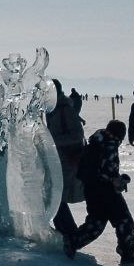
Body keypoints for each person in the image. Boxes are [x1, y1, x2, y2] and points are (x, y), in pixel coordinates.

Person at [66, 120, 134, 265]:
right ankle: (127, 252)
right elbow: (107, 171)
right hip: (106, 191)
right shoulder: (109, 144)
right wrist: (119, 180)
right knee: (123, 220)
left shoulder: (96, 141)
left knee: (97, 222)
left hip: (91, 190)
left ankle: (72, 242)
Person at [45, 79, 85, 236]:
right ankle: (65, 230)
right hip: (57, 159)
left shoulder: (65, 109)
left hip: (67, 160)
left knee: (55, 195)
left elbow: (77, 135)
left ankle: (68, 231)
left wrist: (52, 141)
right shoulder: (52, 109)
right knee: (53, 194)